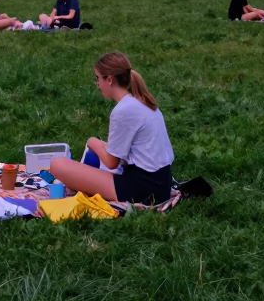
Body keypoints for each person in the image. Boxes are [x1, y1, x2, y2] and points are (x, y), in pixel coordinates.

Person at [49, 51, 174, 205]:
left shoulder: (123, 110)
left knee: (57, 164)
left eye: (97, 78)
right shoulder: (143, 102)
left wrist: (92, 141)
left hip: (144, 189)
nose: (97, 84)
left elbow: (111, 162)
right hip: (162, 183)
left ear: (109, 79)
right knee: (98, 152)